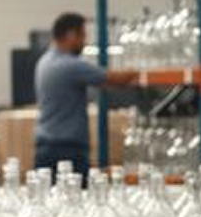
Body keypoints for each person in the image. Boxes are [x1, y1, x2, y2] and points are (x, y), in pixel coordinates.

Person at [33, 12, 136, 178]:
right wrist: (140, 67)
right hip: (67, 149)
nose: (85, 42)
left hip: (45, 147)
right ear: (70, 35)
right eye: (82, 36)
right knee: (75, 193)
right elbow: (116, 79)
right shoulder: (70, 65)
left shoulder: (44, 62)